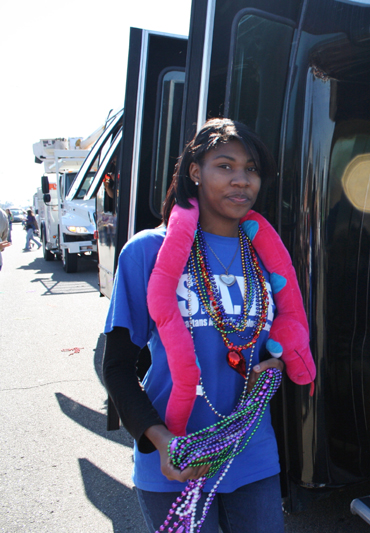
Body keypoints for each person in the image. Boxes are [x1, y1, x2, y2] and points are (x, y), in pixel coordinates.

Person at [102, 118, 315, 533]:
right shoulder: (148, 252)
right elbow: (117, 368)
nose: (241, 180)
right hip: (177, 460)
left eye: (251, 169)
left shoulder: (266, 256)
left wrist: (274, 368)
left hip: (253, 457)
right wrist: (165, 443)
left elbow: (274, 340)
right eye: (225, 166)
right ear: (195, 172)